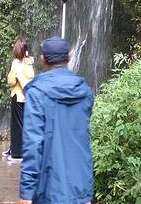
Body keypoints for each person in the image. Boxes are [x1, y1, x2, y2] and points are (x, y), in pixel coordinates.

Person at [19, 37, 93, 204]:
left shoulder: (36, 93)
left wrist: (26, 192)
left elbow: (33, 144)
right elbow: (81, 140)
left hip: (49, 189)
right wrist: (86, 193)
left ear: (43, 60)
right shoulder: (85, 92)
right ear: (70, 57)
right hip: (80, 187)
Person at [5, 39, 35, 163]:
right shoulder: (29, 62)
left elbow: (11, 81)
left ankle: (17, 154)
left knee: (17, 126)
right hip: (27, 97)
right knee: (24, 124)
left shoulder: (16, 63)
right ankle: (14, 149)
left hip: (17, 96)